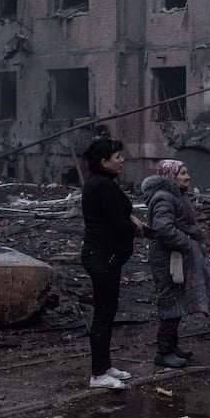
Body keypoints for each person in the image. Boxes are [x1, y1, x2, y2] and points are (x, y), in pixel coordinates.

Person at [80, 136, 144, 390]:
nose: (122, 160)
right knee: (103, 314)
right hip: (102, 257)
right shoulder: (103, 185)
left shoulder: (101, 183)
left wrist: (130, 217)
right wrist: (134, 227)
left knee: (106, 312)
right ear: (104, 161)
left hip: (102, 257)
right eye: (117, 157)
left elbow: (117, 212)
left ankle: (105, 366)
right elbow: (117, 223)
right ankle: (97, 374)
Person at [142, 159, 210, 369]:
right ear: (171, 176)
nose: (187, 176)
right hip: (168, 258)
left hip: (176, 257)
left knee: (177, 300)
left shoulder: (176, 195)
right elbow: (163, 229)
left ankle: (172, 346)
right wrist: (188, 243)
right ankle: (163, 352)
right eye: (182, 173)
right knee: (170, 300)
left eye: (187, 172)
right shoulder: (164, 198)